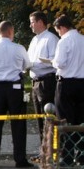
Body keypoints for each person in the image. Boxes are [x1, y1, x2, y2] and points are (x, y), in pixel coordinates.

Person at [0, 21, 33, 168]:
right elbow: (27, 65)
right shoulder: (19, 48)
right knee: (18, 124)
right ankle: (20, 159)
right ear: (11, 32)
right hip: (15, 88)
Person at [51, 15, 84, 166]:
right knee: (80, 120)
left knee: (64, 119)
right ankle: (82, 155)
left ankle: (68, 156)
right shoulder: (82, 39)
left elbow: (60, 63)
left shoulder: (64, 41)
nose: (59, 34)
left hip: (66, 84)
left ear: (62, 27)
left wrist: (52, 61)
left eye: (58, 31)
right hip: (81, 83)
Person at [27, 11, 59, 142]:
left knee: (49, 116)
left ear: (40, 22)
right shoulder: (34, 40)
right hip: (35, 82)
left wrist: (34, 64)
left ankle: (52, 148)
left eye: (32, 22)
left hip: (47, 81)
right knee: (39, 116)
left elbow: (54, 61)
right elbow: (28, 59)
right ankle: (43, 148)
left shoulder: (51, 39)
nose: (30, 25)